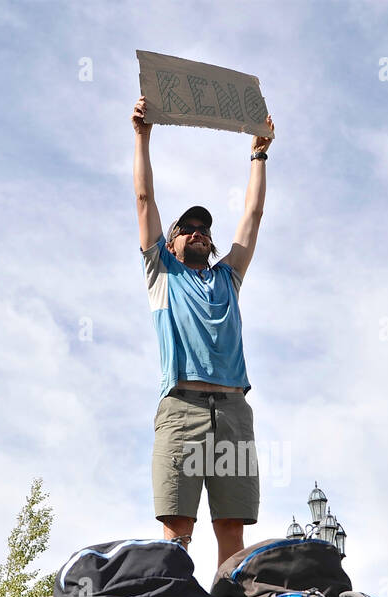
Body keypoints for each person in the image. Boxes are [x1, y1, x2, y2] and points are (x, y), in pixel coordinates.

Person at [133, 94, 274, 568]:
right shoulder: (162, 274)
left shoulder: (227, 278)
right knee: (177, 531)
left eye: (204, 228)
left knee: (230, 531)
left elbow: (252, 217)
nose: (198, 231)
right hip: (182, 409)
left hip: (233, 412)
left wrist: (259, 153)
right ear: (169, 241)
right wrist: (142, 135)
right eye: (187, 226)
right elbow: (144, 198)